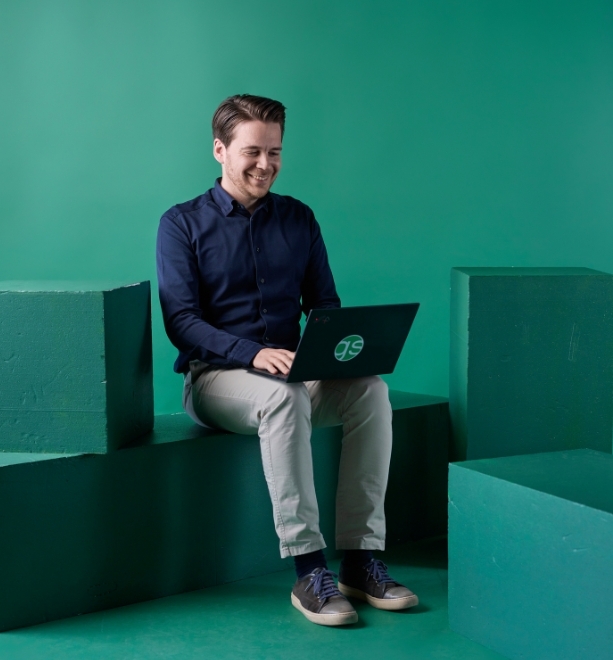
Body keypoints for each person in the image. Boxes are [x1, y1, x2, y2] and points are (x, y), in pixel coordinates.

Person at [156, 94, 418, 626]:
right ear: (219, 150)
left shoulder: (299, 218)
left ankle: (361, 559)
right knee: (282, 396)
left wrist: (331, 351)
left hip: (295, 373)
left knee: (371, 391)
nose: (265, 164)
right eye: (252, 151)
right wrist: (253, 352)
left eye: (274, 152)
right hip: (215, 379)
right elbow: (181, 322)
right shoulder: (180, 223)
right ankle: (308, 570)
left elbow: (325, 305)